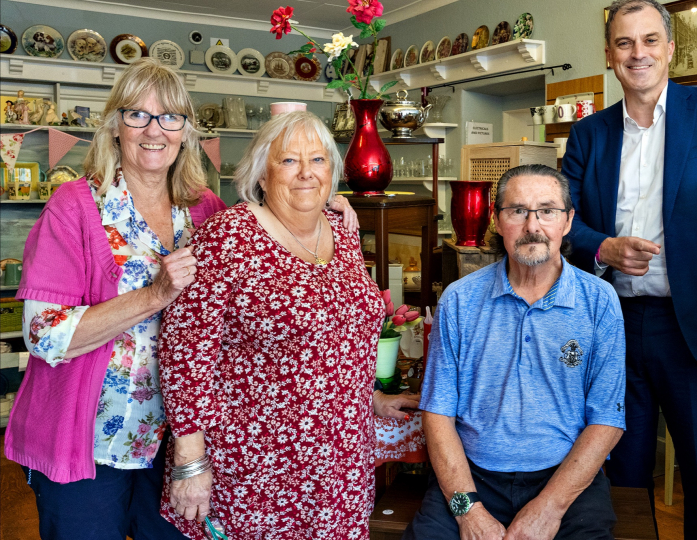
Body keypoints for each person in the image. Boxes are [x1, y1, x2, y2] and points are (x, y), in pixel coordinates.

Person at [561, 1, 697, 537]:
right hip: (608, 326)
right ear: (609, 55)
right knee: (616, 470)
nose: (639, 53)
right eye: (625, 43)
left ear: (671, 49)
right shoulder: (589, 134)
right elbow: (560, 218)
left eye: (650, 40)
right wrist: (604, 247)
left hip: (695, 324)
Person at [157, 110, 419, 539]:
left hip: (341, 463)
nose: (306, 174)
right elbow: (185, 352)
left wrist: (369, 395)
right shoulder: (228, 237)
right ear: (262, 174)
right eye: (288, 161)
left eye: (318, 160)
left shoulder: (343, 229)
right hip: (256, 466)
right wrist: (190, 462)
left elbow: (334, 332)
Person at [4, 58, 225, 540]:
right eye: (137, 114)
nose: (154, 130)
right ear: (114, 126)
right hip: (89, 441)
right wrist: (155, 295)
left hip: (177, 442)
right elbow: (43, 334)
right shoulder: (76, 206)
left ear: (186, 131)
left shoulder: (204, 206)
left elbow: (263, 251)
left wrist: (330, 209)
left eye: (169, 116)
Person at [404, 164, 626, 540]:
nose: (532, 226)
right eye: (517, 211)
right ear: (497, 220)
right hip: (471, 477)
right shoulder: (460, 299)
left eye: (547, 211)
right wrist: (467, 512)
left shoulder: (598, 301)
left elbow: (607, 418)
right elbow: (438, 413)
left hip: (563, 479)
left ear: (568, 221)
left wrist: (549, 508)